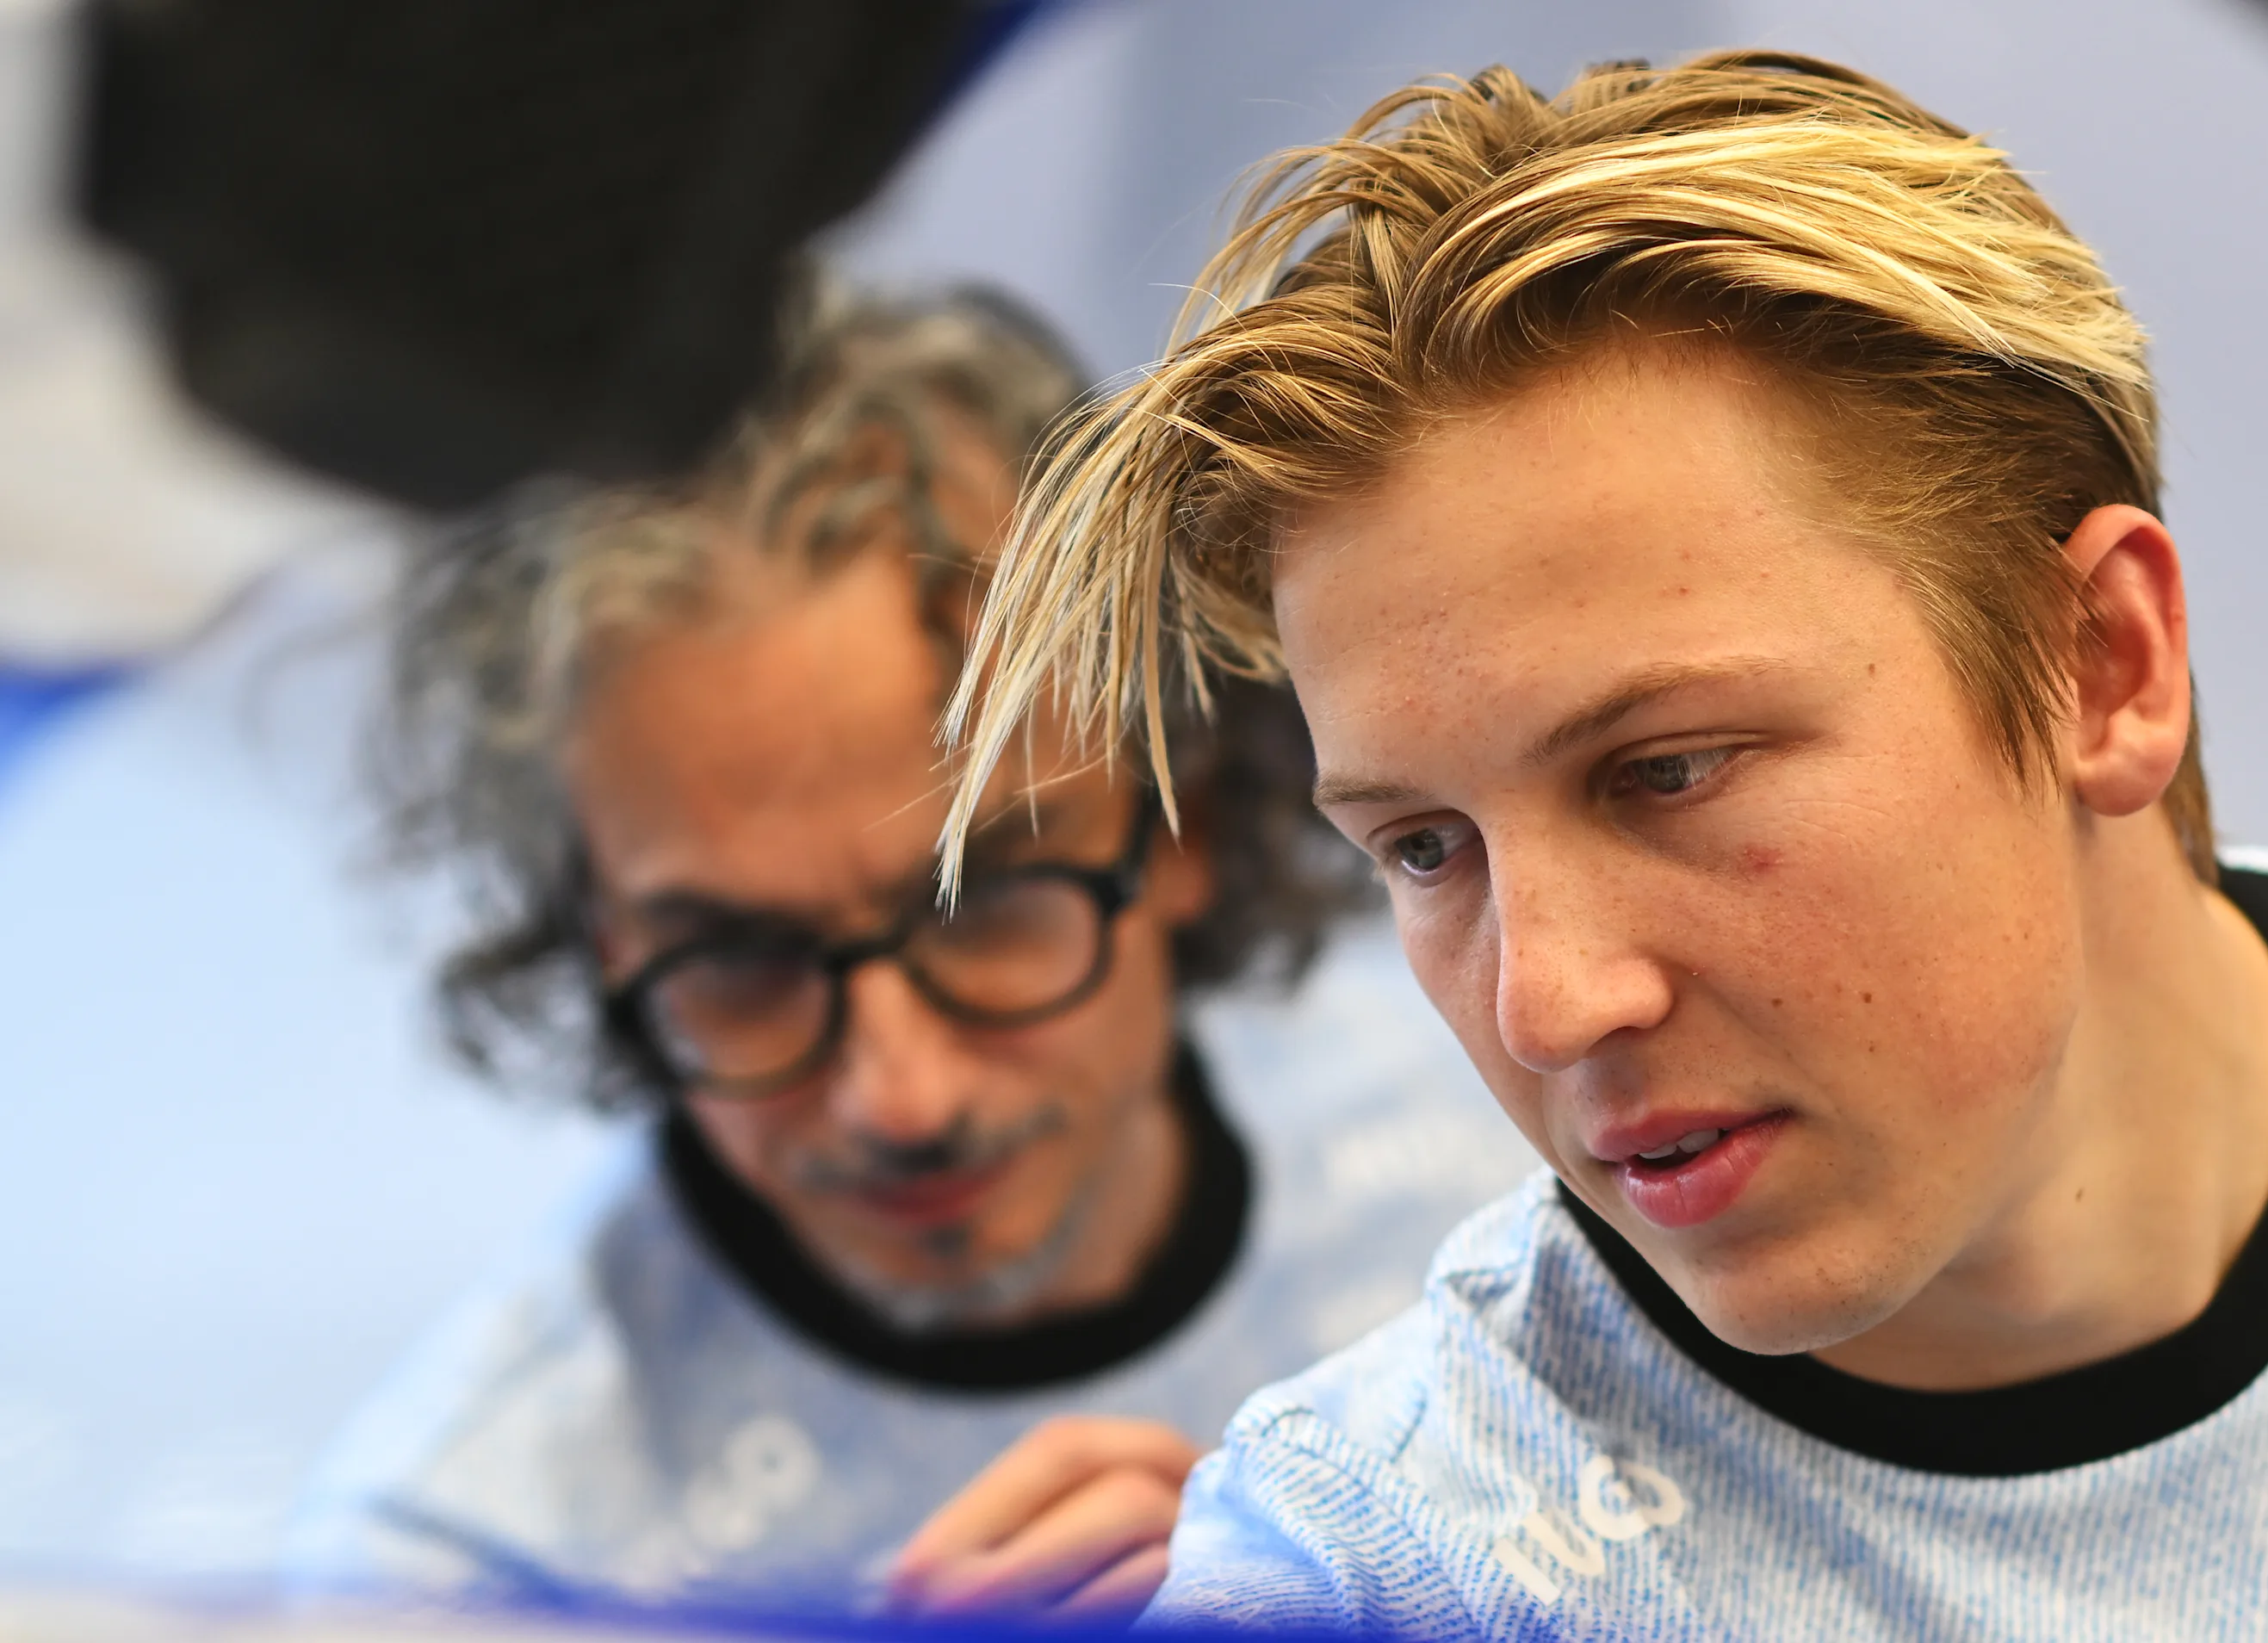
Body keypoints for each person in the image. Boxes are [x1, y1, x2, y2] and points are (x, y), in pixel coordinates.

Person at [917, 52, 2268, 1639]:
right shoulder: (1393, 1564)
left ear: (2104, 664)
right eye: (1424, 848)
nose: (1545, 1002)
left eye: (1666, 771)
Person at [281, 283, 1534, 1618]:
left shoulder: (1531, 1151)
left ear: (1184, 819)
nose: (903, 1100)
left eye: (986, 903)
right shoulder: (465, 1575)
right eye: (740, 960)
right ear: (604, 945)